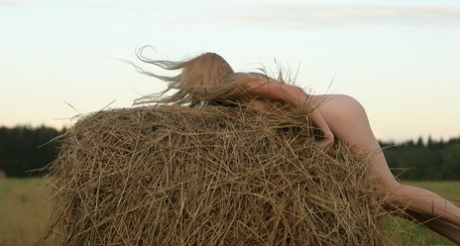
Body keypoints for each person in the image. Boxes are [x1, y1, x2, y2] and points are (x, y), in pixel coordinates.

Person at [132, 46, 460, 244]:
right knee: (385, 201)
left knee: (390, 190)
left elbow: (293, 94)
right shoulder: (232, 96)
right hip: (332, 112)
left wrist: (325, 133)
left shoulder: (236, 83)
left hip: (336, 112)